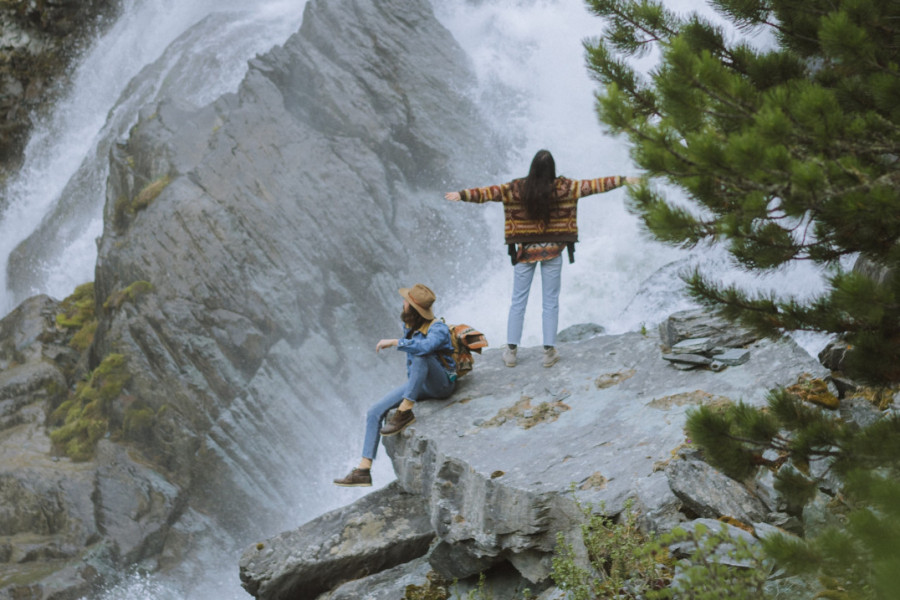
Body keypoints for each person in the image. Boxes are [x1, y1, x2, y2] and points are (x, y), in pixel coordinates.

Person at [446, 149, 640, 368]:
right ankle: (548, 352)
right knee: (550, 302)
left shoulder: (516, 189)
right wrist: (623, 180)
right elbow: (595, 185)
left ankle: (510, 352)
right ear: (552, 170)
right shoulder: (566, 188)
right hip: (553, 251)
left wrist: (461, 195)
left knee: (518, 301)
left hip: (525, 252)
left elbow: (488, 193)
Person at [333, 283, 456, 487]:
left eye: (406, 302)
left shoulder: (438, 328)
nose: (403, 304)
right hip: (419, 386)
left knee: (421, 353)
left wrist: (394, 342)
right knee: (374, 412)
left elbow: (425, 347)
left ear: (414, 309)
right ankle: (363, 470)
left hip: (441, 385)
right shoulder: (409, 326)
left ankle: (405, 410)